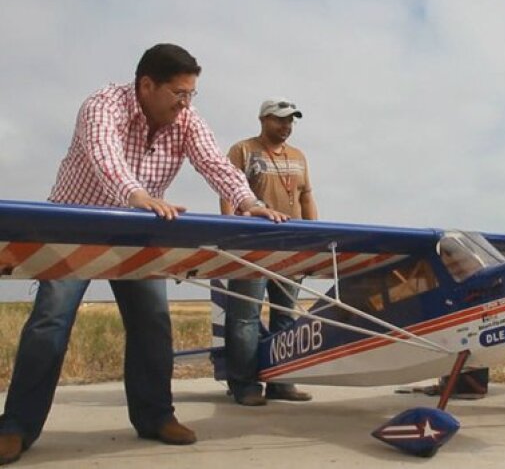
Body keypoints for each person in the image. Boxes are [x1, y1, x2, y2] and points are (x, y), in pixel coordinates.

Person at [0, 44, 288, 466]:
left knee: (154, 320)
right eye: (179, 93)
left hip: (136, 232)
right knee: (51, 320)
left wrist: (247, 202)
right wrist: (135, 195)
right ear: (146, 85)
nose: (185, 103)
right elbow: (105, 157)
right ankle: (15, 428)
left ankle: (155, 416)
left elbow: (215, 163)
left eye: (191, 94)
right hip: (74, 227)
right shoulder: (102, 106)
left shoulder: (186, 120)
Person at [219, 97, 318, 406]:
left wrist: (313, 237)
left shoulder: (299, 157)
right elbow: (227, 190)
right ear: (263, 120)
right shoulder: (243, 150)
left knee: (285, 315)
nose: (286, 126)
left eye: (290, 120)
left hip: (290, 248)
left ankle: (282, 381)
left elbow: (306, 197)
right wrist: (230, 229)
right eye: (279, 119)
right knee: (245, 317)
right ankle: (244, 384)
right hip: (252, 247)